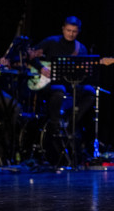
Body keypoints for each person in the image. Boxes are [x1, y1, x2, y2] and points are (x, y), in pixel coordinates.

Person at [28, 16, 97, 152]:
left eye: (74, 31)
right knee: (59, 90)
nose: (71, 34)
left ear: (78, 32)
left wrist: (85, 71)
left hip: (70, 84)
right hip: (49, 83)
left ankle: (71, 122)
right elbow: (30, 55)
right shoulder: (51, 41)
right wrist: (41, 68)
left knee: (90, 91)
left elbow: (82, 76)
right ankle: (55, 125)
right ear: (63, 29)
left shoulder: (81, 48)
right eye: (68, 30)